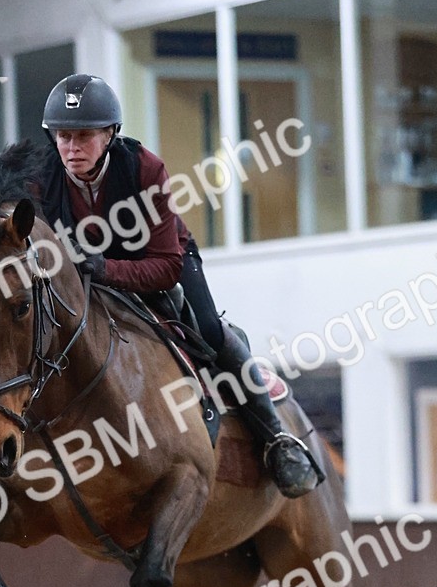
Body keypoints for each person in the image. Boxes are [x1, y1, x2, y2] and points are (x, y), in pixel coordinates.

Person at [40, 72, 323, 499]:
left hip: (160, 258)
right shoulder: (41, 177)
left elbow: (165, 266)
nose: (72, 147)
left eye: (84, 136)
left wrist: (102, 270)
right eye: (63, 136)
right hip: (86, 275)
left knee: (209, 330)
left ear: (111, 135)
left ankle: (277, 439)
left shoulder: (144, 168)